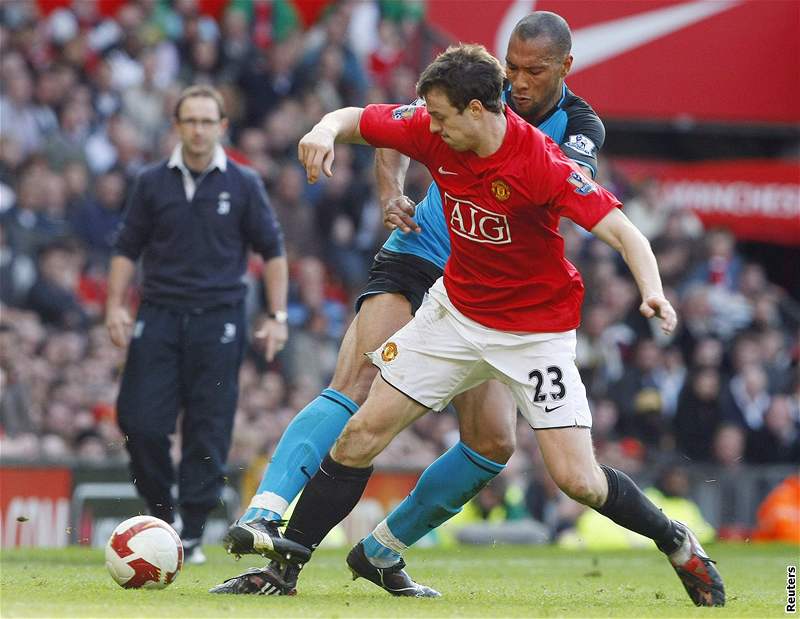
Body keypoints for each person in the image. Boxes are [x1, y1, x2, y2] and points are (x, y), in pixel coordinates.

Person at [212, 44, 725, 607]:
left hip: (535, 334)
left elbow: (626, 232)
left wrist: (653, 292)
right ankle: (283, 565)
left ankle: (676, 541)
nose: (429, 125)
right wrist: (324, 130)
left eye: (440, 116)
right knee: (361, 431)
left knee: (574, 478)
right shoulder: (439, 127)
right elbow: (363, 120)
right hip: (453, 314)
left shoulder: (545, 162)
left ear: (478, 110)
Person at [215, 10, 604, 582]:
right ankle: (264, 516)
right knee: (356, 378)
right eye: (513, 69)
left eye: (533, 72)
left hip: (490, 293)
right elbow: (392, 126)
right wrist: (390, 190)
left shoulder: (578, 128)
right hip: (421, 254)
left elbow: (570, 194)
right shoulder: (481, 88)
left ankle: (381, 550)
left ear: (565, 67)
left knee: (493, 443)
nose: (518, 83)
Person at [105, 85, 302, 565]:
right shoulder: (151, 181)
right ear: (176, 126)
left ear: (222, 127)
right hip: (159, 314)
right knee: (138, 421)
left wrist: (276, 316)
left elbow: (273, 252)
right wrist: (114, 305)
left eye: (206, 121)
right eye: (189, 121)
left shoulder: (244, 182)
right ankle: (162, 514)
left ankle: (190, 532)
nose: (198, 129)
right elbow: (127, 248)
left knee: (208, 428)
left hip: (220, 320)